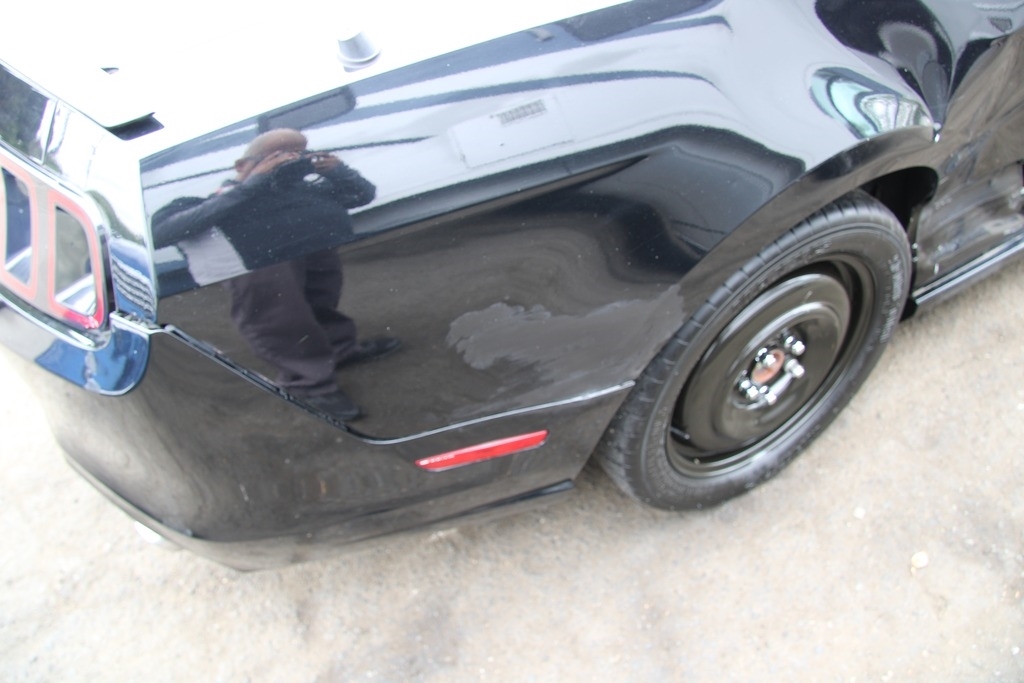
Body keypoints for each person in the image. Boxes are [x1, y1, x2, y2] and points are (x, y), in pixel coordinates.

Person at [153, 129, 398, 421]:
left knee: (322, 303)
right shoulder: (205, 200)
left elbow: (361, 195)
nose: (288, 162)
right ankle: (309, 384)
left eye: (300, 155)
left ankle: (339, 351)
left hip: (312, 248)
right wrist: (254, 183)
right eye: (278, 156)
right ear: (241, 165)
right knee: (280, 320)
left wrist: (337, 170)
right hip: (252, 266)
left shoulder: (299, 190)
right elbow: (162, 232)